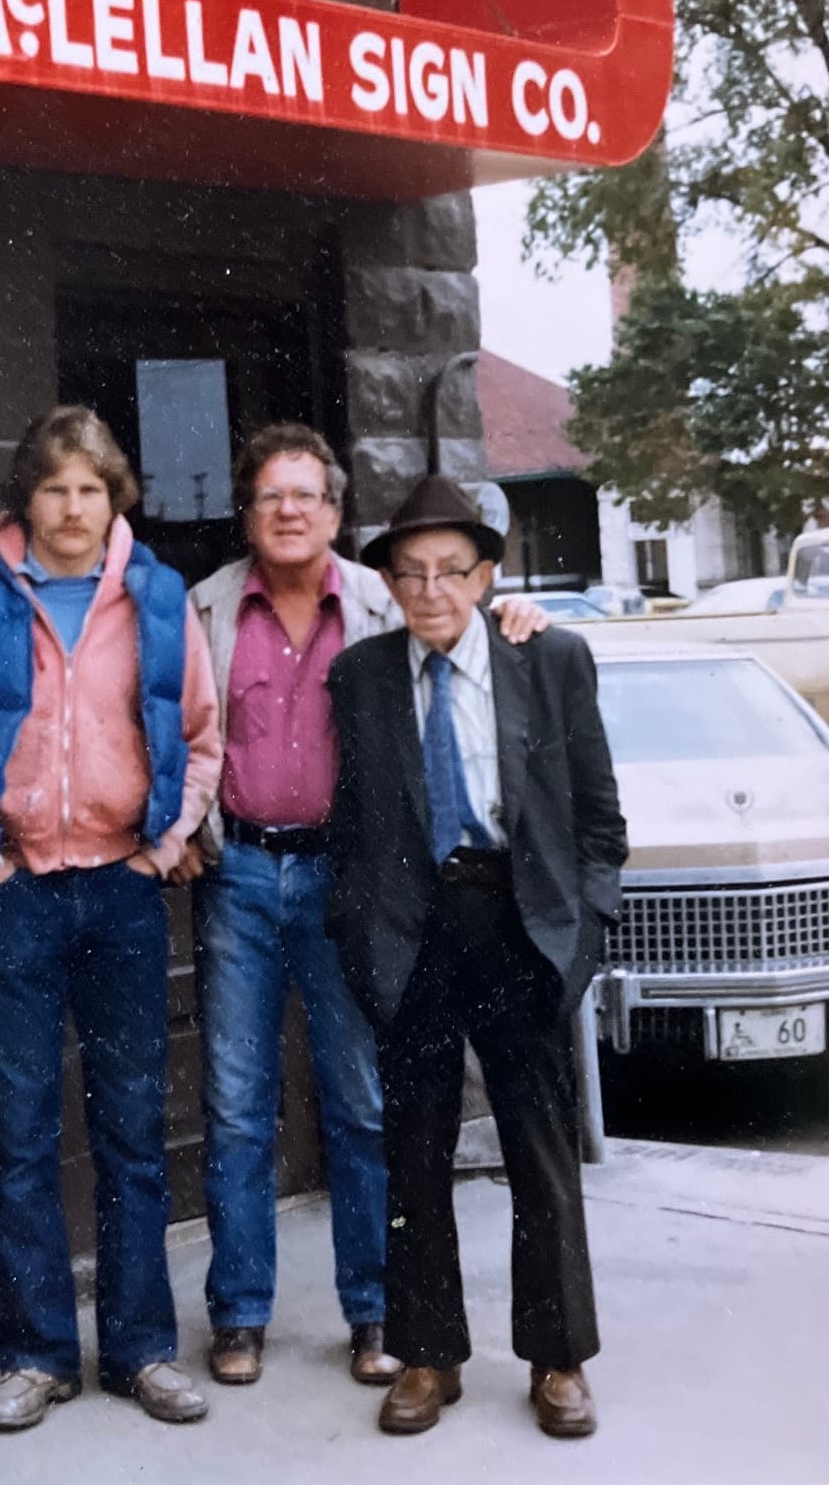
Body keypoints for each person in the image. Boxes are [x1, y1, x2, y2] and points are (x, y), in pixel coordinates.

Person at [182, 425, 545, 1390]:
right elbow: (178, 729)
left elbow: (464, 632)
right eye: (269, 497)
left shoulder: (388, 601)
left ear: (336, 515)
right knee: (235, 1107)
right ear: (249, 515)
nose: (288, 511)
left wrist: (513, 617)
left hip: (352, 884)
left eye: (306, 496)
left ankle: (375, 1310)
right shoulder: (208, 608)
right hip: (244, 881)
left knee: (359, 1102)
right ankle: (240, 1315)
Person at [0, 407, 221, 1433]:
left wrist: (166, 846)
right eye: (53, 489)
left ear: (113, 496)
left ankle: (140, 1350)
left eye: (89, 488)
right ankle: (36, 1354)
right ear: (23, 500)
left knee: (131, 1132)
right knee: (23, 1134)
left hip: (123, 890)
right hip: (18, 894)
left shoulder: (159, 599)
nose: (72, 509)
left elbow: (203, 736)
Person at [324, 474, 628, 1441]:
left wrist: (579, 936)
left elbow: (598, 822)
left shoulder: (549, 660)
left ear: (487, 575)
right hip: (413, 934)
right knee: (412, 1146)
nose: (430, 592)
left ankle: (557, 1357)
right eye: (409, 574)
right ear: (389, 586)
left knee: (539, 1148)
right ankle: (426, 1354)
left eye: (451, 570)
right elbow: (352, 828)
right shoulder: (361, 677)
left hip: (518, 928)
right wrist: (361, 936)